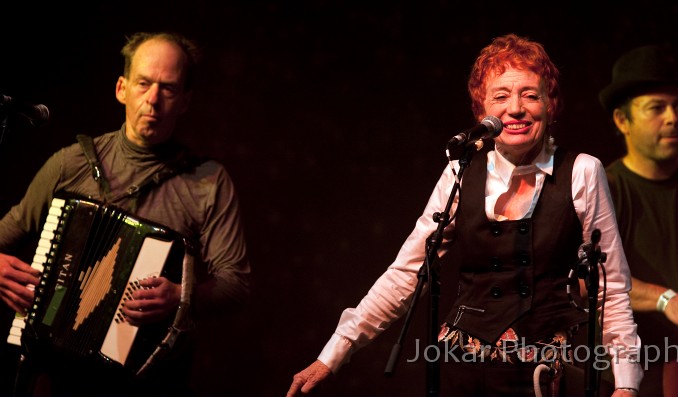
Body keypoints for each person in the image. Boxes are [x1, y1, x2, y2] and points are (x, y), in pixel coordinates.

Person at [287, 33, 642, 397]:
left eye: (530, 95)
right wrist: (333, 353)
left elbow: (611, 287)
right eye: (500, 96)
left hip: (541, 376)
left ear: (550, 105)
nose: (515, 108)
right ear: (481, 111)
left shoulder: (582, 171)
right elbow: (408, 273)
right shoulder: (461, 171)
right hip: (460, 370)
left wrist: (627, 384)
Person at [0, 31, 251, 396]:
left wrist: (182, 295)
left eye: (168, 88)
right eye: (144, 84)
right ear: (121, 88)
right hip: (52, 376)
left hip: (146, 381)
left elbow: (237, 285)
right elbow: (8, 232)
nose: (153, 99)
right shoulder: (70, 163)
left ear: (185, 101)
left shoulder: (209, 182)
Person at [599, 44, 678, 397]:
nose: (672, 118)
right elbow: (590, 281)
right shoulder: (606, 188)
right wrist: (668, 300)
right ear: (622, 120)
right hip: (640, 373)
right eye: (656, 108)